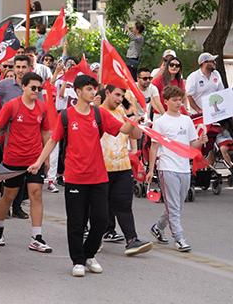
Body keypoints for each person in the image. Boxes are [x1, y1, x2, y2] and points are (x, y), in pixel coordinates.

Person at [27, 75, 141, 277]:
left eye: (94, 89)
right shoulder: (66, 116)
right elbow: (53, 141)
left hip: (98, 176)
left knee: (101, 220)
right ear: (78, 92)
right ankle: (78, 260)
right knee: (77, 221)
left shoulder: (99, 114)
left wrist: (134, 120)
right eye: (89, 89)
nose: (93, 92)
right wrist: (38, 162)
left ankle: (89, 255)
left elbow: (122, 129)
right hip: (75, 177)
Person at [0, 72, 53, 253]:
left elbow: (46, 134)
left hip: (34, 159)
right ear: (23, 87)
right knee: (9, 196)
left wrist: (45, 159)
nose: (36, 91)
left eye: (39, 89)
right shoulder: (12, 106)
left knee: (36, 194)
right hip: (13, 159)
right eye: (33, 88)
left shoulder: (42, 108)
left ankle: (36, 237)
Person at [147, 86, 207, 252]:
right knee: (173, 207)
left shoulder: (186, 121)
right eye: (174, 100)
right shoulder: (160, 122)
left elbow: (192, 144)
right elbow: (154, 147)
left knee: (177, 206)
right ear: (166, 102)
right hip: (167, 167)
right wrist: (151, 170)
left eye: (180, 100)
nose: (178, 103)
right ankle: (179, 238)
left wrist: (201, 140)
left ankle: (158, 227)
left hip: (184, 168)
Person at [99, 84, 153, 256]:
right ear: (107, 93)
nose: (119, 99)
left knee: (124, 205)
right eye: (116, 95)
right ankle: (95, 237)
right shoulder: (97, 112)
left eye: (122, 96)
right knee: (98, 207)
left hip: (122, 166)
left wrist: (133, 118)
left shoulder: (122, 111)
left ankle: (131, 240)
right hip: (101, 167)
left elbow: (136, 135)